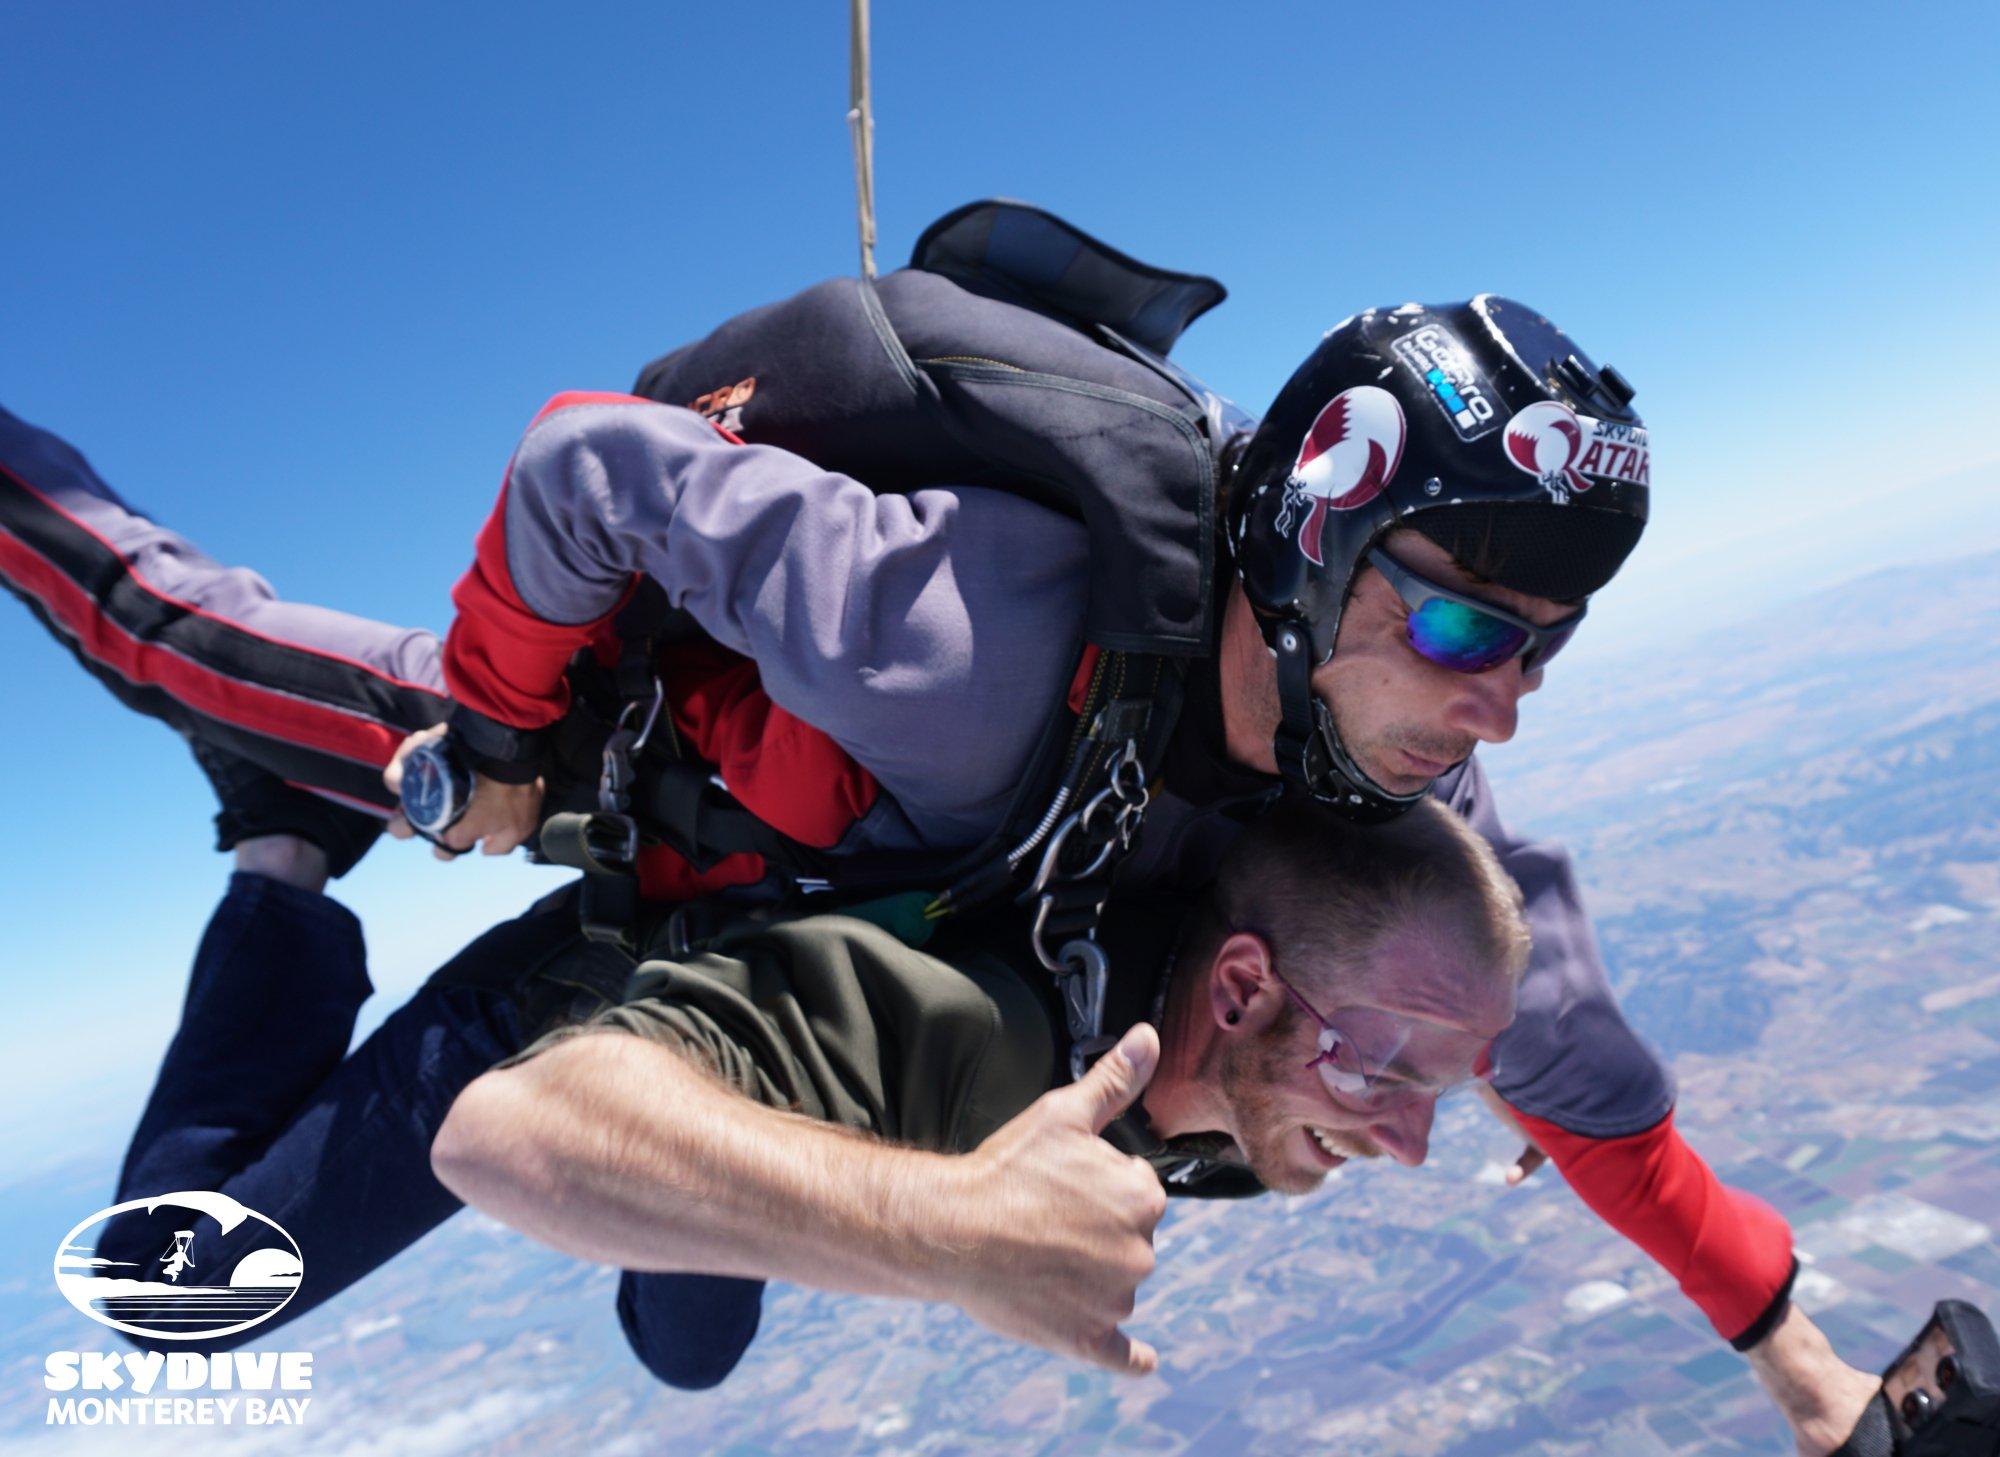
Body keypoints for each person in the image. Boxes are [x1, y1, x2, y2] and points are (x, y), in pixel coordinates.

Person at [0, 203, 1882, 1449]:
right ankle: (276, 839)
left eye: (1548, 643)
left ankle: (280, 838)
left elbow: (1580, 1082)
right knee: (166, 631)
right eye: (1467, 620)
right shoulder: (972, 638)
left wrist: (1791, 1351)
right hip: (593, 772)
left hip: (731, 960)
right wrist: (495, 727)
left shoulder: (1397, 801)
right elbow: (586, 467)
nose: (1509, 696)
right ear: (1319, 538)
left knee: (686, 1335)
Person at [97, 782, 1524, 1386]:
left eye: (1435, 1088)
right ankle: (280, 853)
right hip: (548, 1022)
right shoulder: (991, 1030)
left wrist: (1472, 1066)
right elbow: (506, 1136)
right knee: (179, 1294)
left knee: (688, 1349)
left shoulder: (1256, 1052)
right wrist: (956, 1228)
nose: (1404, 1139)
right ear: (1237, 989)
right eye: (1381, 1071)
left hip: (778, 1049)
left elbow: (1435, 875)